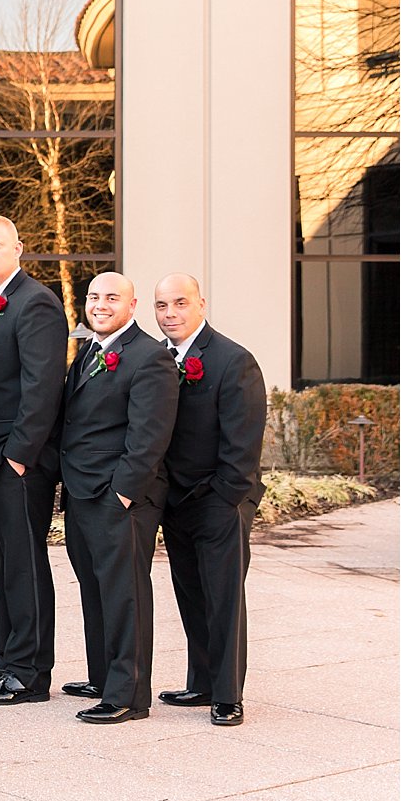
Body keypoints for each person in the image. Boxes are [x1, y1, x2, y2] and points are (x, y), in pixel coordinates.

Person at [57, 272, 179, 724]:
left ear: (132, 306)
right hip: (82, 491)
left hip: (120, 497)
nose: (100, 304)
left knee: (124, 592)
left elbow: (149, 435)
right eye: (93, 297)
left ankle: (128, 694)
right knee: (95, 588)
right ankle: (103, 677)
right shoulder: (90, 350)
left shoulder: (148, 357)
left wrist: (123, 494)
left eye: (112, 297)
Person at [0, 215, 69, 707]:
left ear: (18, 247)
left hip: (18, 461)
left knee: (23, 564)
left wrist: (19, 456)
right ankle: (8, 659)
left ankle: (29, 673)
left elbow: (42, 387)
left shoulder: (37, 303)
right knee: (0, 562)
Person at [153, 273, 267, 727]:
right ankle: (200, 682)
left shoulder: (232, 360)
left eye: (180, 303)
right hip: (175, 500)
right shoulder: (158, 358)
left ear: (202, 303)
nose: (171, 313)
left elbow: (243, 445)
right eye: (162, 306)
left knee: (222, 598)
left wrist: (226, 497)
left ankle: (227, 695)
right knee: (191, 595)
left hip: (220, 500)